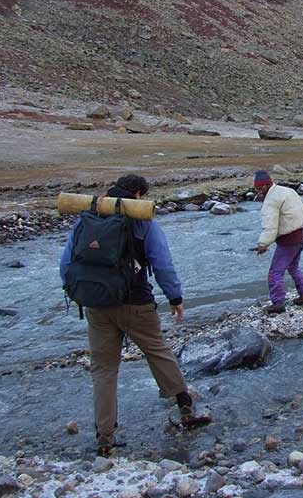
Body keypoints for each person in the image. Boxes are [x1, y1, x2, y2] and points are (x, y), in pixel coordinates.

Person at [59, 174, 210, 456]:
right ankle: (185, 406)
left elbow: (67, 261)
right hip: (136, 303)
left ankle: (105, 436)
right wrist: (175, 297)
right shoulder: (142, 219)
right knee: (157, 351)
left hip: (96, 305)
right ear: (139, 194)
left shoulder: (88, 216)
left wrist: (76, 291)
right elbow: (162, 263)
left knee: (103, 370)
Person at [252, 170, 303, 314]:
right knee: (293, 267)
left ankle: (277, 303)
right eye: (257, 188)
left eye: (260, 188)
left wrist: (263, 244)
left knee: (275, 272)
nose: (259, 191)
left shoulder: (271, 201)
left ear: (267, 185)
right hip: (300, 236)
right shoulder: (288, 191)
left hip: (287, 240)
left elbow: (270, 225)